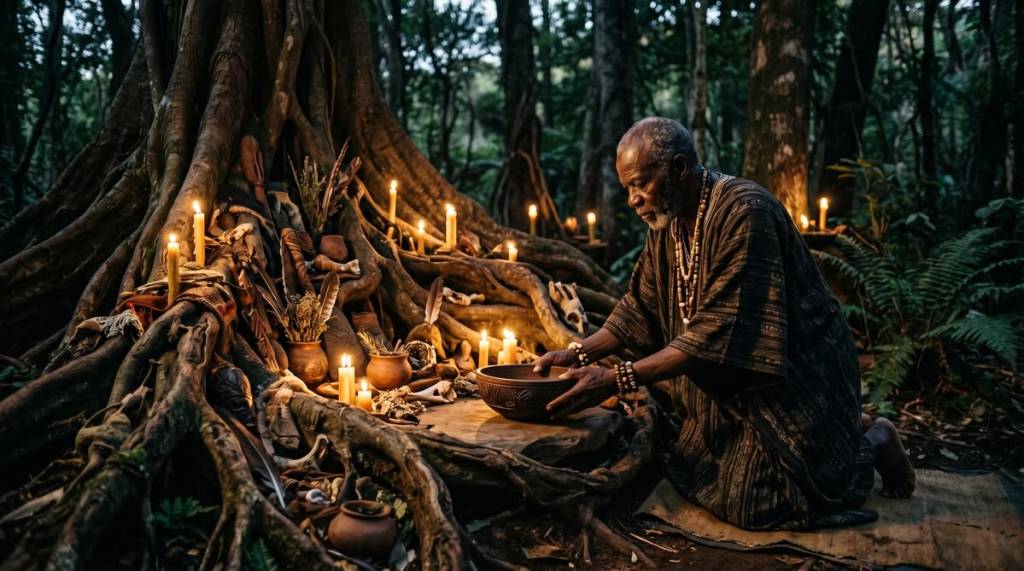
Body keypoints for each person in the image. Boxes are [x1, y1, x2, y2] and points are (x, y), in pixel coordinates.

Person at [533, 117, 915, 531]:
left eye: (641, 184)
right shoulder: (669, 219)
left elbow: (717, 332)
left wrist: (615, 379)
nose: (633, 199)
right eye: (628, 188)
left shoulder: (745, 212)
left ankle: (873, 443)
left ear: (679, 169)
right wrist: (578, 351)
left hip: (792, 379)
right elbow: (637, 309)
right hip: (731, 387)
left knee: (758, 503)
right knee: (689, 468)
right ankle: (841, 429)